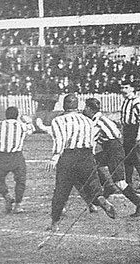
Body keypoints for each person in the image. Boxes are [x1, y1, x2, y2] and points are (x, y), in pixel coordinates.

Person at [45, 94, 115, 232]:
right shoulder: (87, 120)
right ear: (77, 106)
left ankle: (54, 223)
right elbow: (92, 139)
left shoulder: (58, 120)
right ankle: (102, 201)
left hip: (68, 156)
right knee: (93, 185)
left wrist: (55, 157)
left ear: (64, 106)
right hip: (86, 155)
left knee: (61, 191)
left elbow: (60, 139)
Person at [83, 98, 140, 218]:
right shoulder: (103, 118)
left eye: (85, 107)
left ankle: (139, 203)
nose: (83, 110)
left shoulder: (96, 122)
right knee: (92, 163)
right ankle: (108, 186)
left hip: (113, 150)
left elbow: (91, 141)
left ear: (89, 109)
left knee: (120, 182)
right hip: (112, 148)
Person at [120, 80, 140, 193]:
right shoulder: (126, 101)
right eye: (122, 88)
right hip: (127, 131)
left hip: (134, 130)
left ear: (132, 88)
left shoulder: (136, 102)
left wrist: (139, 135)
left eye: (126, 87)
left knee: (137, 159)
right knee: (127, 159)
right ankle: (129, 183)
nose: (123, 90)